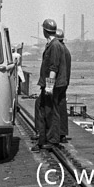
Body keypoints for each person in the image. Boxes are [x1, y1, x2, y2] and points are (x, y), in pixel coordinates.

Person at [33, 18, 66, 151]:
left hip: (51, 84)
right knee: (46, 109)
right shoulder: (53, 45)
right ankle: (47, 139)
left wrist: (49, 86)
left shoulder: (54, 46)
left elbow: (53, 68)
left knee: (50, 111)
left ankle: (51, 140)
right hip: (50, 83)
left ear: (45, 31)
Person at [56, 28, 71, 143]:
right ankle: (62, 133)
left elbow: (53, 68)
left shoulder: (58, 50)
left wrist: (49, 85)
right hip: (64, 82)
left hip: (58, 83)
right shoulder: (66, 51)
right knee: (61, 107)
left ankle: (56, 133)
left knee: (55, 107)